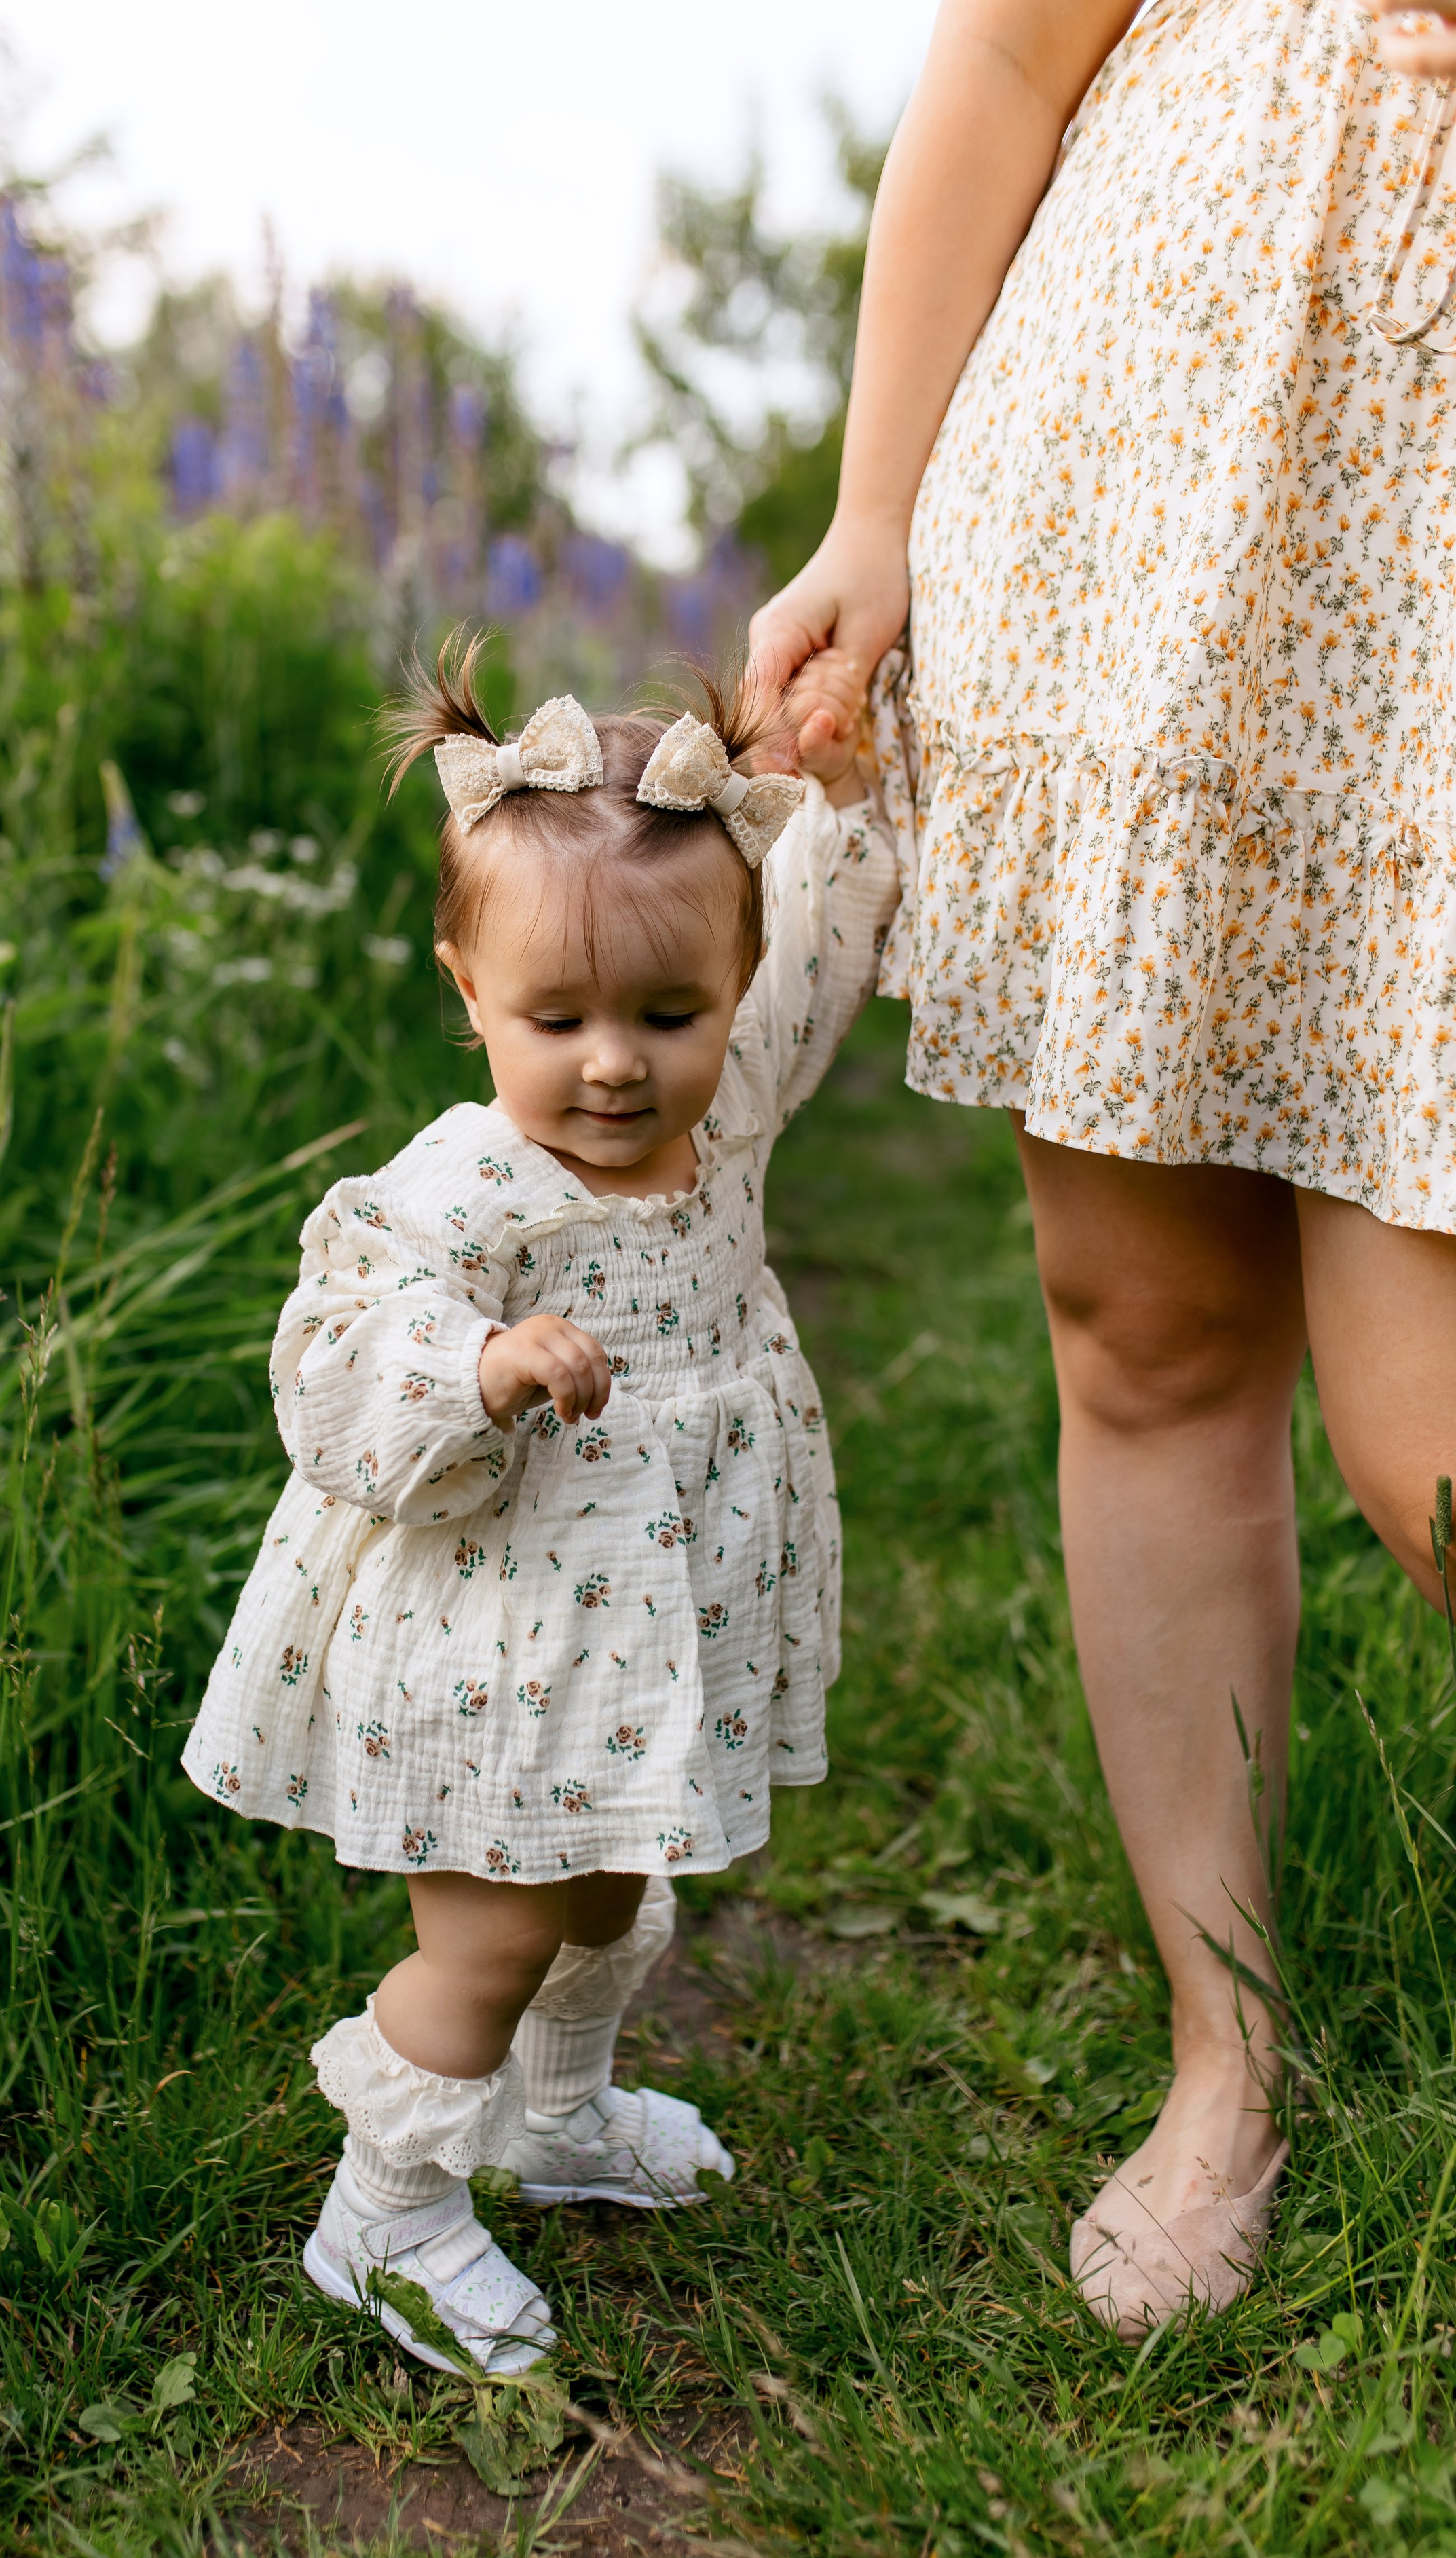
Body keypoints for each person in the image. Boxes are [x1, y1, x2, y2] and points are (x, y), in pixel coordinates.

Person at [753, 0, 1456, 2339]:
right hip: (1145, 546)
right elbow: (1002, 74)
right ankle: (1221, 2061)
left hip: (1428, 603)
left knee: (1431, 1451)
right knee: (1148, 1333)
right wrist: (876, 515)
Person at [181, 639, 902, 2375]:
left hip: (641, 1634)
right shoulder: (465, 1181)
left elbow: (806, 945)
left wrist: (845, 805)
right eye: (554, 1018)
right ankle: (387, 2218)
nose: (611, 1066)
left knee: (601, 1890)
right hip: (490, 1633)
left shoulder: (720, 1122)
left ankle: (553, 2119)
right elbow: (333, 1349)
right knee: (493, 1930)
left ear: (727, 994)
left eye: (667, 1016)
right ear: (467, 986)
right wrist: (479, 1359)